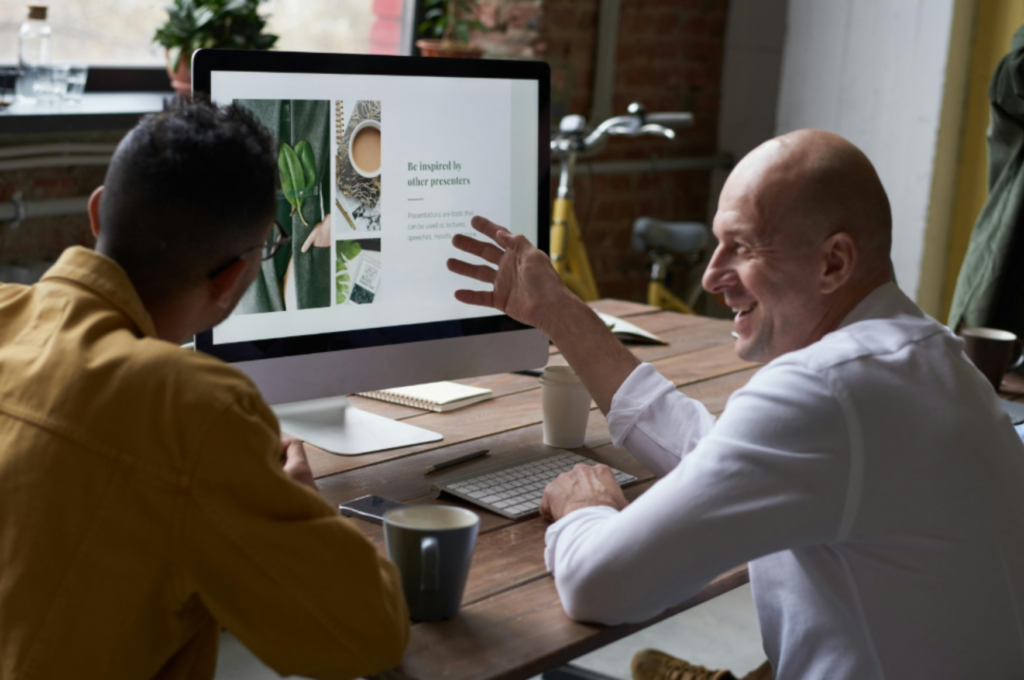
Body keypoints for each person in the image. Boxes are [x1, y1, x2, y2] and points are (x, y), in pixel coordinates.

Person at [448, 129, 1024, 679]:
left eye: (742, 247)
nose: (711, 275)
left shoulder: (824, 389)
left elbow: (599, 587)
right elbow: (724, 457)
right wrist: (557, 311)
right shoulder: (932, 357)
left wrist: (586, 509)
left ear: (834, 263)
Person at [0, 100, 408, 679]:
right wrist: (305, 506)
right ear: (232, 280)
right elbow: (369, 637)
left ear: (96, 212)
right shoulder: (194, 410)